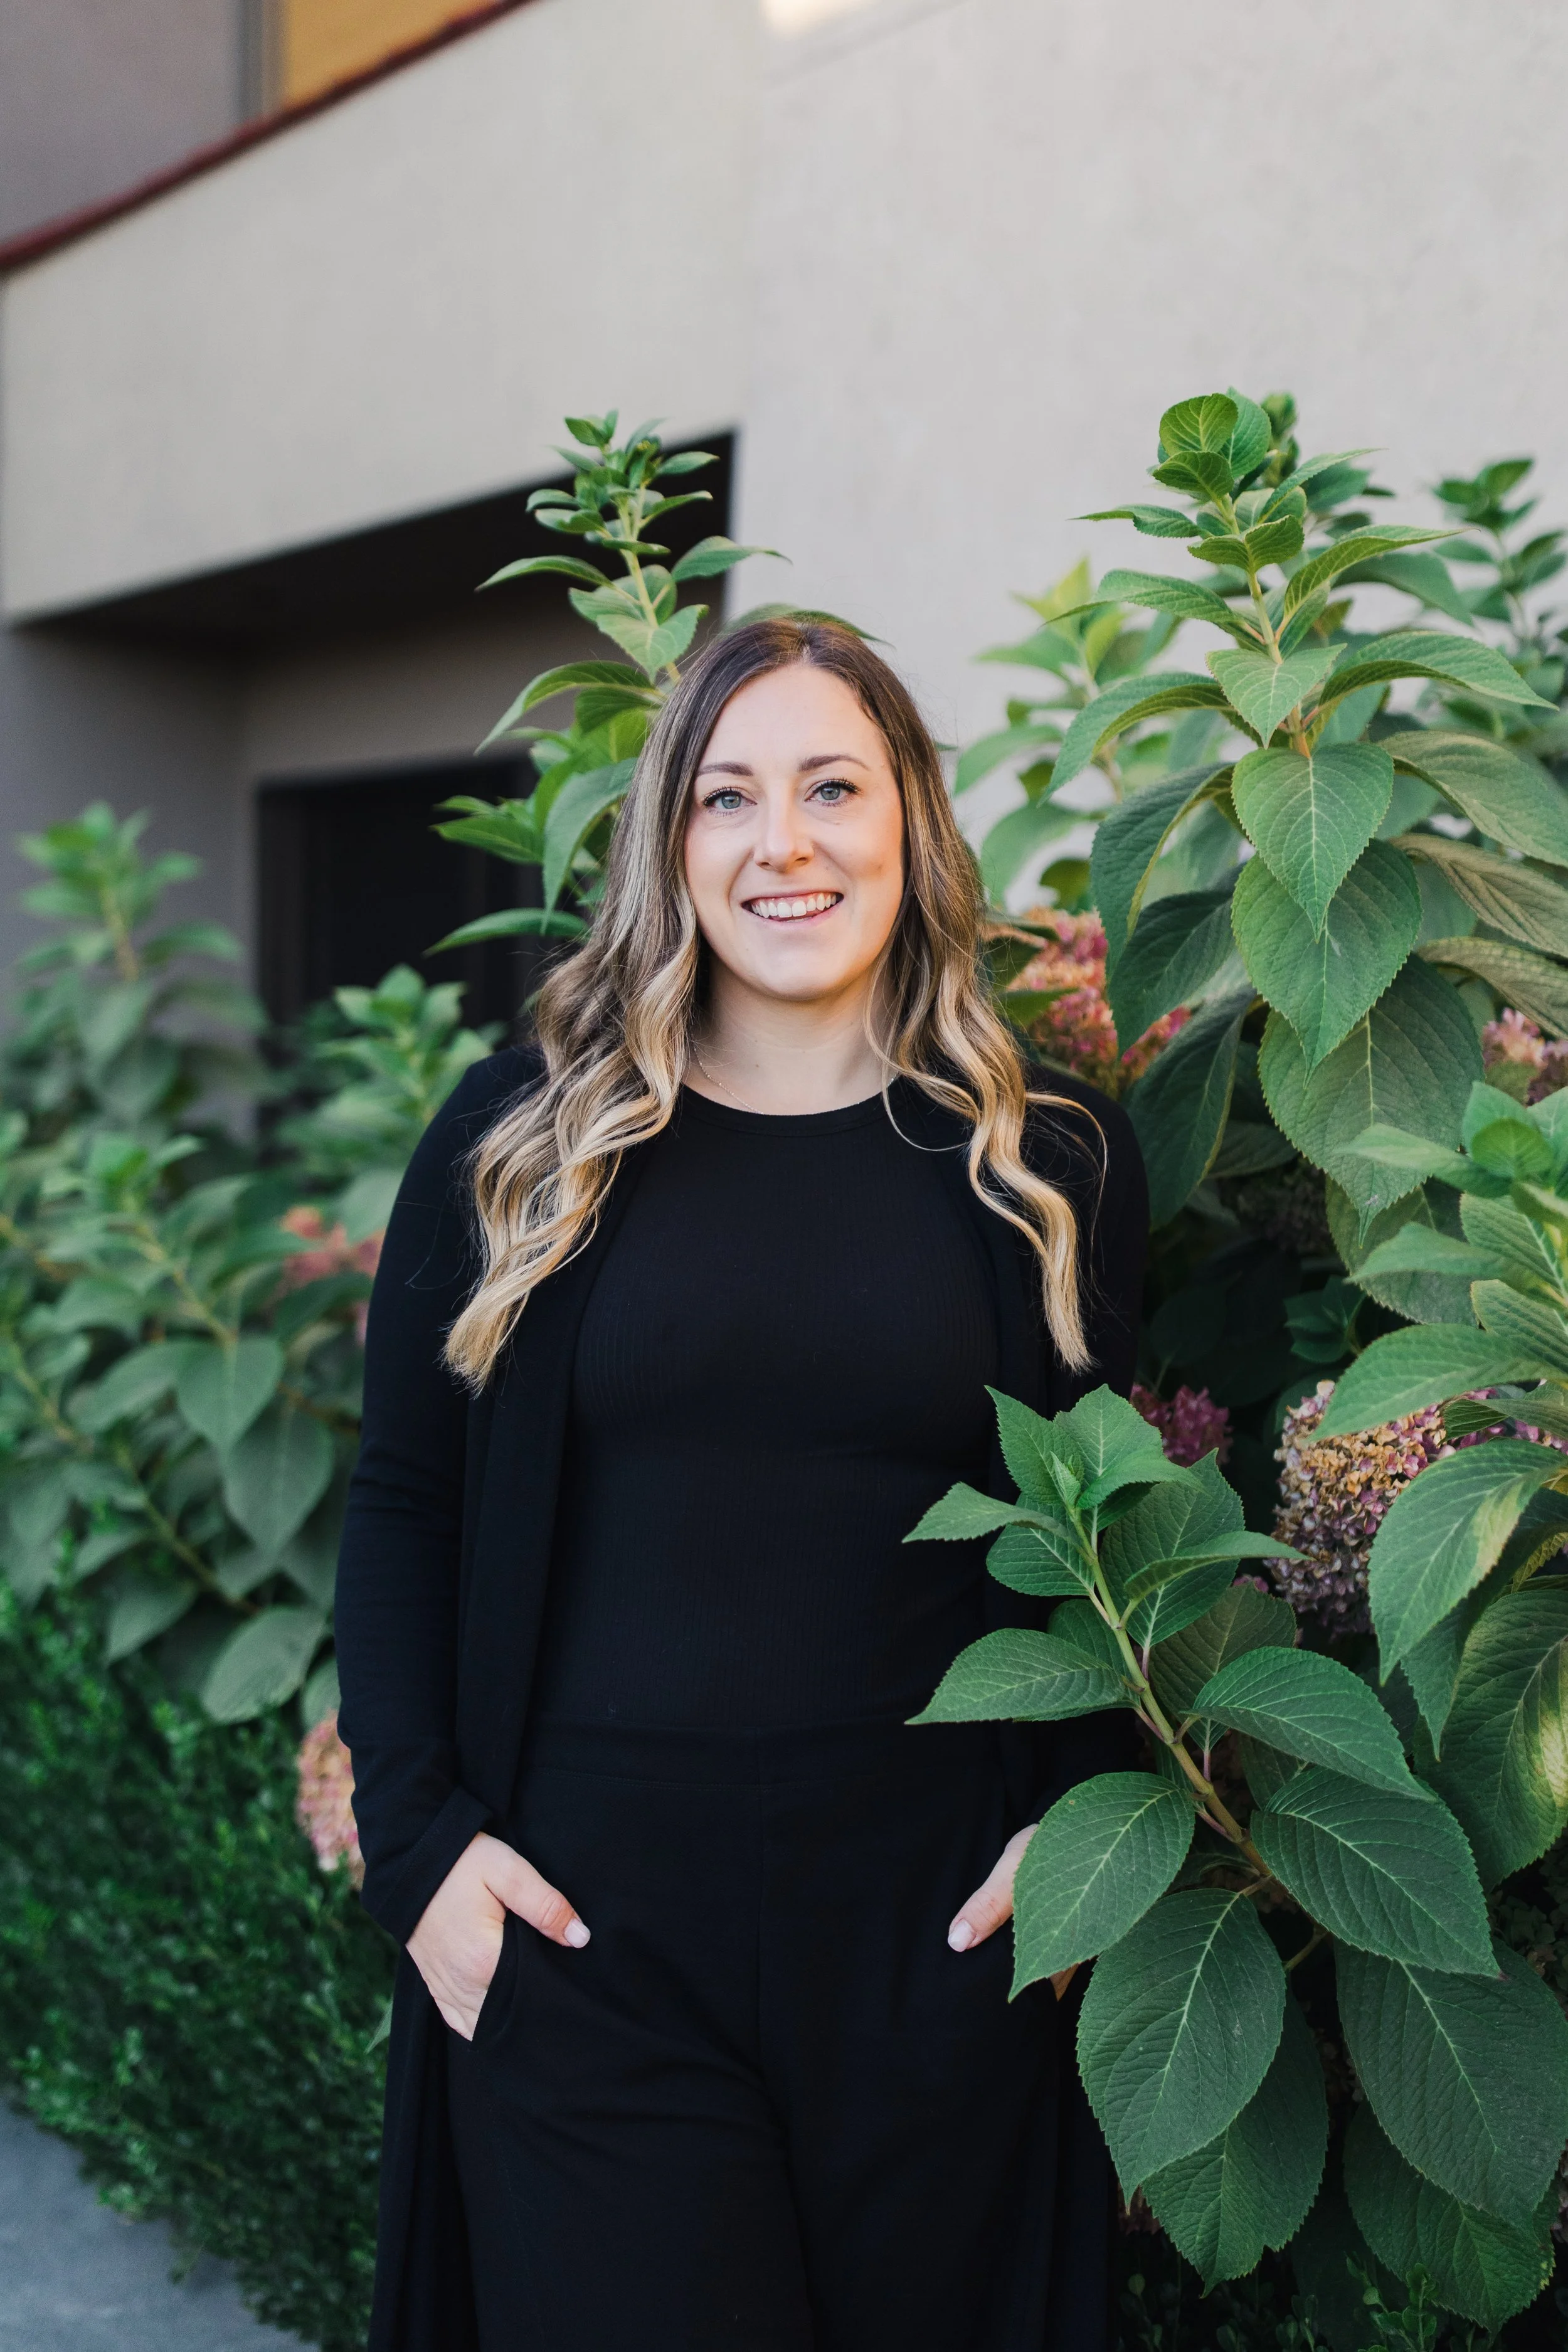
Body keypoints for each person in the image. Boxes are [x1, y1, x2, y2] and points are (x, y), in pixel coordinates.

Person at [335, 617, 1147, 2352]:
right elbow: (404, 1500)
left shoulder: (1046, 1163)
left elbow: (1106, 1526)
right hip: (585, 1937)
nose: (783, 842)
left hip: (932, 1939)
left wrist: (1076, 1830)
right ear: (669, 845)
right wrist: (419, 1853)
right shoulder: (522, 1137)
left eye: (832, 785)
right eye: (727, 796)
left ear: (911, 821)